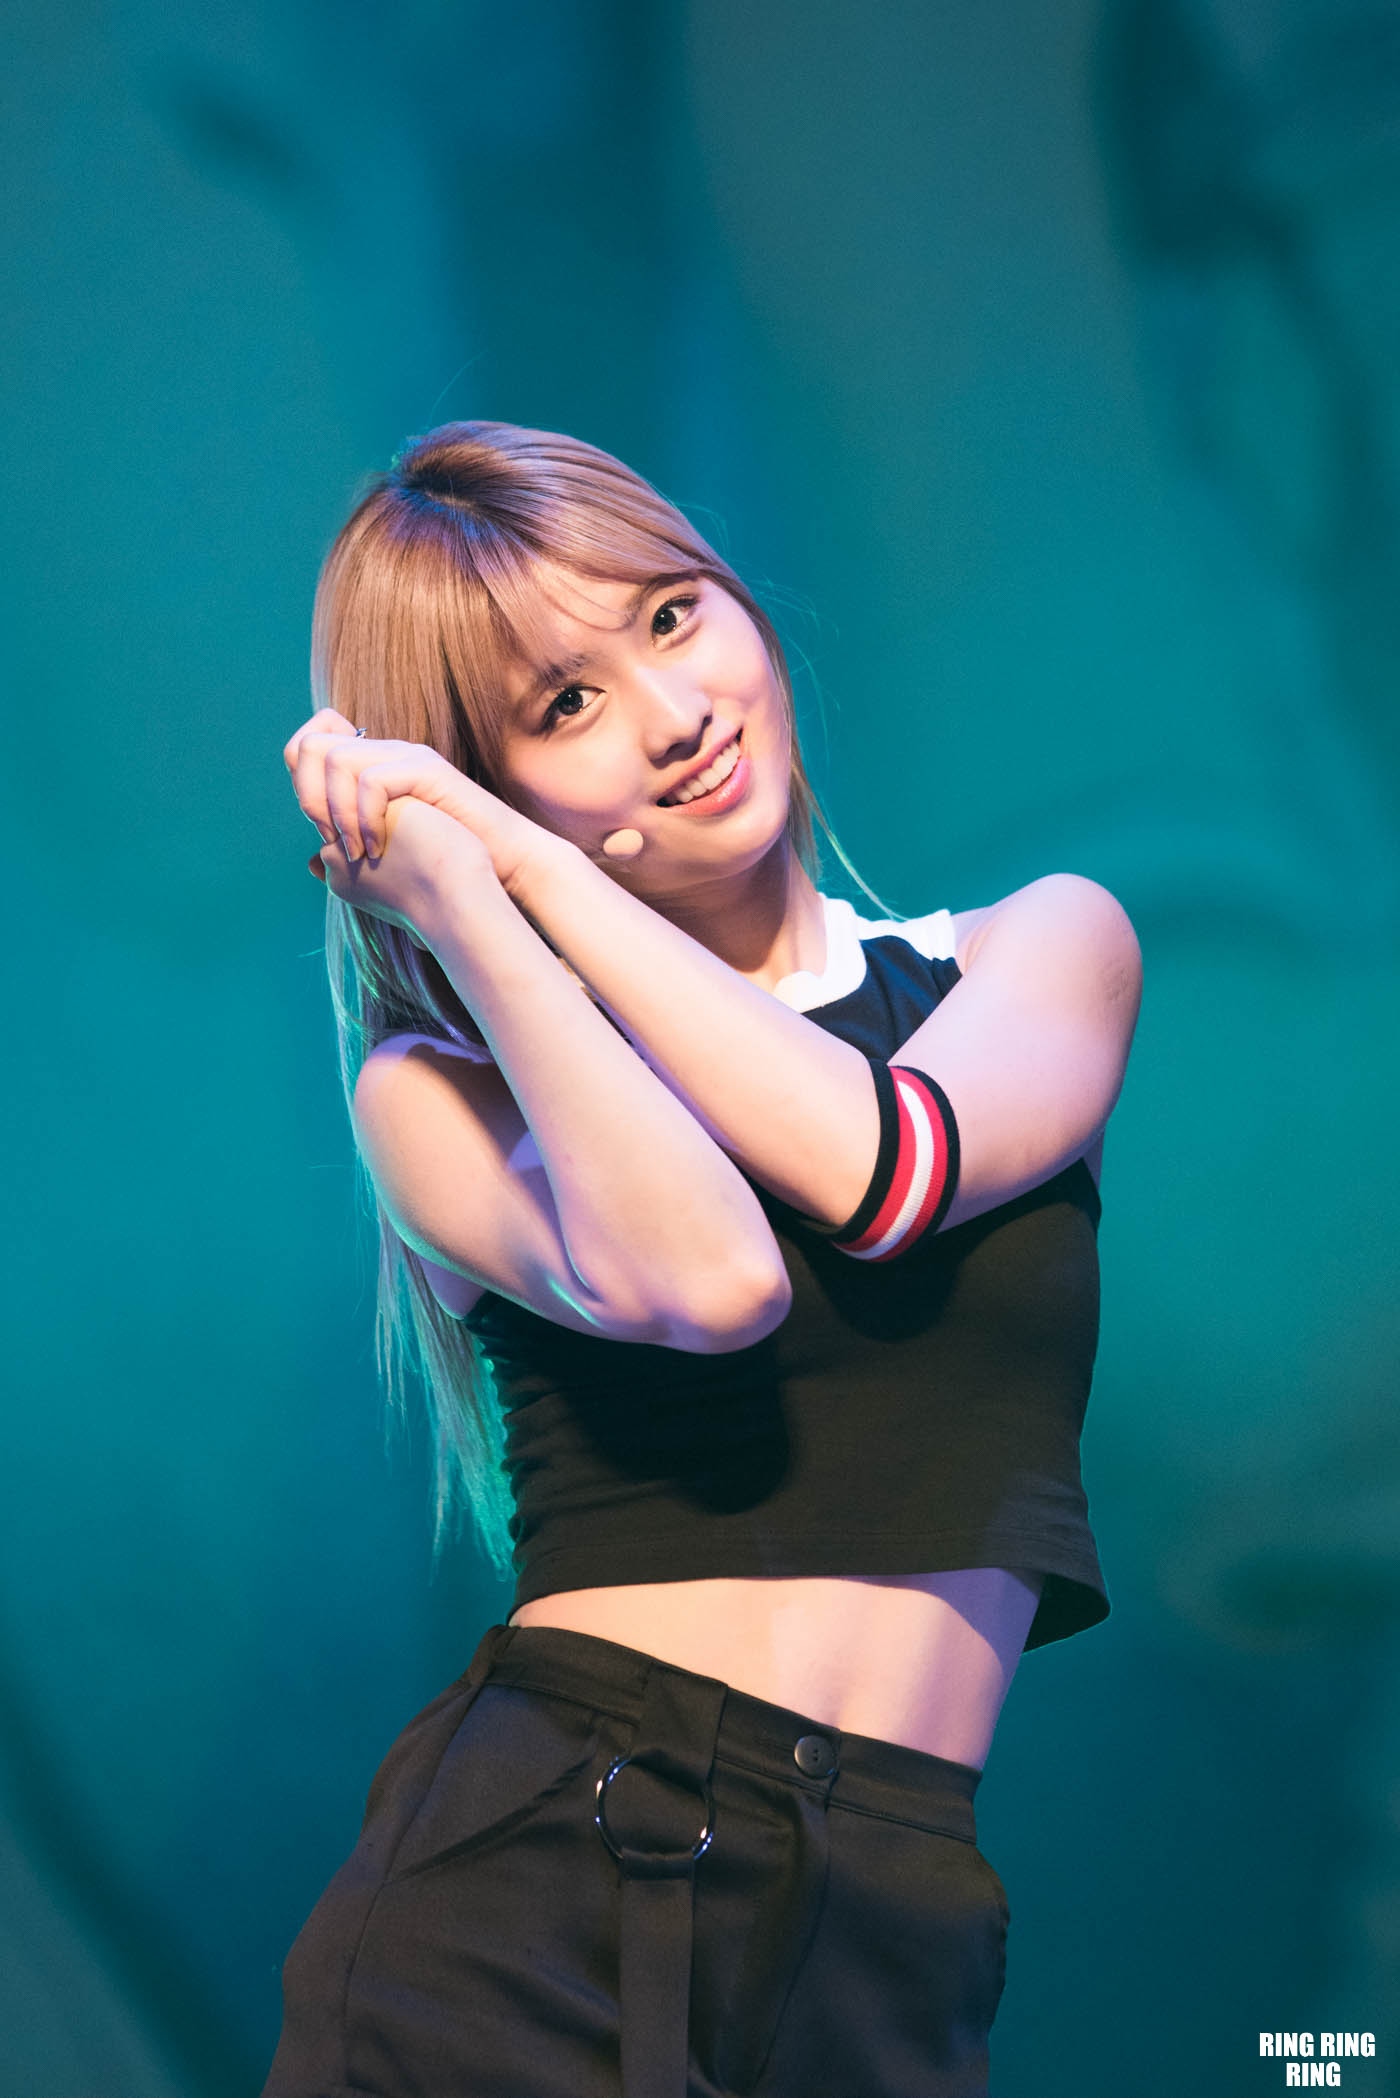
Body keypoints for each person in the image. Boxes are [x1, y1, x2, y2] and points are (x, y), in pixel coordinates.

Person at [265, 419, 1142, 2098]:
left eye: (669, 616)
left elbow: (886, 1168)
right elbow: (712, 1281)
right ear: (480, 781)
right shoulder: (444, 1091)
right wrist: (485, 914)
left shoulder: (1033, 950)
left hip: (888, 1904)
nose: (674, 714)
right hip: (545, 1883)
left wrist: (522, 863)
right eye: (563, 706)